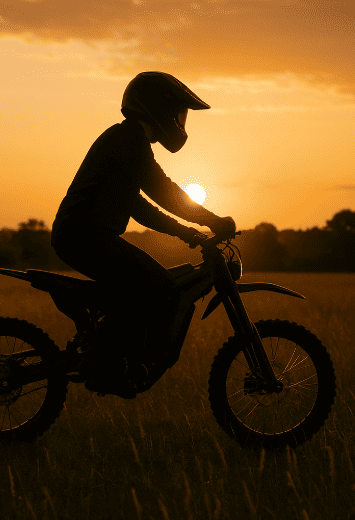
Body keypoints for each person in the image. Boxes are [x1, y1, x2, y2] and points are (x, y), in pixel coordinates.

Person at [51, 71, 235, 397]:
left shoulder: (126, 141)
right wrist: (212, 220)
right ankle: (114, 366)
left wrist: (187, 233)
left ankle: (114, 358)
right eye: (179, 113)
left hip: (83, 235)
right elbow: (162, 190)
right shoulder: (129, 140)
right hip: (85, 236)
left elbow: (140, 207)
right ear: (158, 108)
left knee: (143, 288)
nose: (181, 121)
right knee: (159, 285)